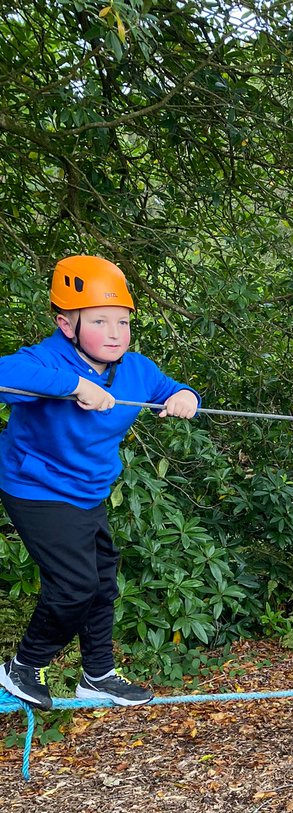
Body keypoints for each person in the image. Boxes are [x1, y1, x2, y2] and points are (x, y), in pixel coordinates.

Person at [0, 255, 200, 711]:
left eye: (123, 321)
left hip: (89, 490)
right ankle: (23, 666)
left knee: (102, 582)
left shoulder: (135, 369)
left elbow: (171, 388)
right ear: (66, 324)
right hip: (37, 487)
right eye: (100, 321)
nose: (115, 333)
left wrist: (185, 396)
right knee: (74, 584)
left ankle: (98, 675)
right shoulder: (44, 359)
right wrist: (72, 384)